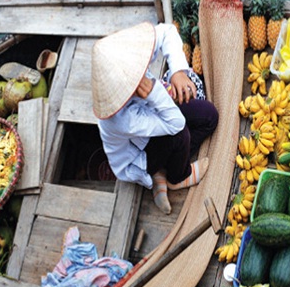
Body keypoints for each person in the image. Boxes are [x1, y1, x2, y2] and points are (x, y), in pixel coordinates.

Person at [91, 22, 218, 214]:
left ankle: (165, 168)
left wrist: (177, 71)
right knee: (180, 135)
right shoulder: (121, 119)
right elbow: (176, 124)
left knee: (209, 116)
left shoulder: (128, 56)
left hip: (153, 112)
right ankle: (176, 176)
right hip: (140, 155)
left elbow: (167, 31)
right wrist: (153, 92)